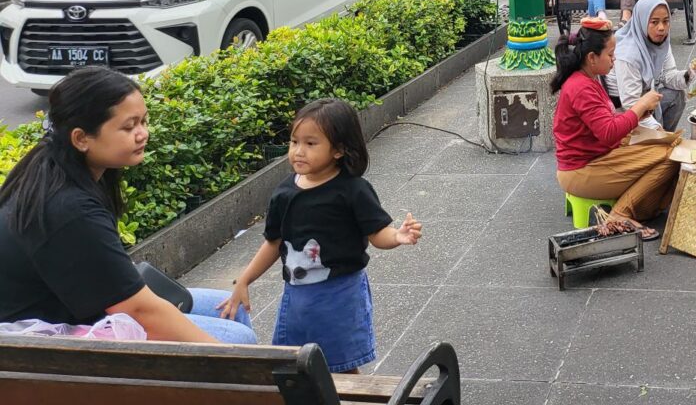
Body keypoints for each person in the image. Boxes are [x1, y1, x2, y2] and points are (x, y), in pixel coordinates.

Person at [0, 68, 256, 343]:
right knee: (238, 340)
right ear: (81, 138)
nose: (142, 133)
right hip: (49, 340)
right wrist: (234, 362)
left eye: (143, 121)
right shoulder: (68, 207)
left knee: (233, 307)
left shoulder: (56, 165)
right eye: (129, 126)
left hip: (79, 310)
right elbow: (137, 310)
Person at [218, 99, 421, 372]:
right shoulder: (284, 193)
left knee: (342, 366)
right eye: (294, 142)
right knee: (294, 364)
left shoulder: (353, 190)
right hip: (297, 298)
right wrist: (244, 279)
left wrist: (397, 236)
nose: (298, 152)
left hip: (341, 295)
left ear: (338, 149)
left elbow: (376, 233)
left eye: (311, 144)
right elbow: (274, 242)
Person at [552, 18, 677, 239]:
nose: (614, 59)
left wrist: (639, 114)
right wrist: (639, 106)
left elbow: (605, 123)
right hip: (581, 171)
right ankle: (620, 214)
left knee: (667, 144)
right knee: (670, 158)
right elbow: (608, 132)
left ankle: (638, 206)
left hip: (595, 157)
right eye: (610, 55)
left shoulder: (587, 78)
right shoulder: (580, 86)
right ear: (592, 58)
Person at [605, 0, 696, 131]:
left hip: (645, 100)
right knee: (659, 133)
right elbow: (631, 104)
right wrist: (658, 131)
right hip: (623, 114)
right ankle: (659, 141)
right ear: (642, 22)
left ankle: (662, 139)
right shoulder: (628, 55)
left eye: (666, 21)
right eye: (654, 22)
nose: (661, 28)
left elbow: (668, 76)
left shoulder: (660, 42)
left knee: (676, 95)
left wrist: (689, 75)